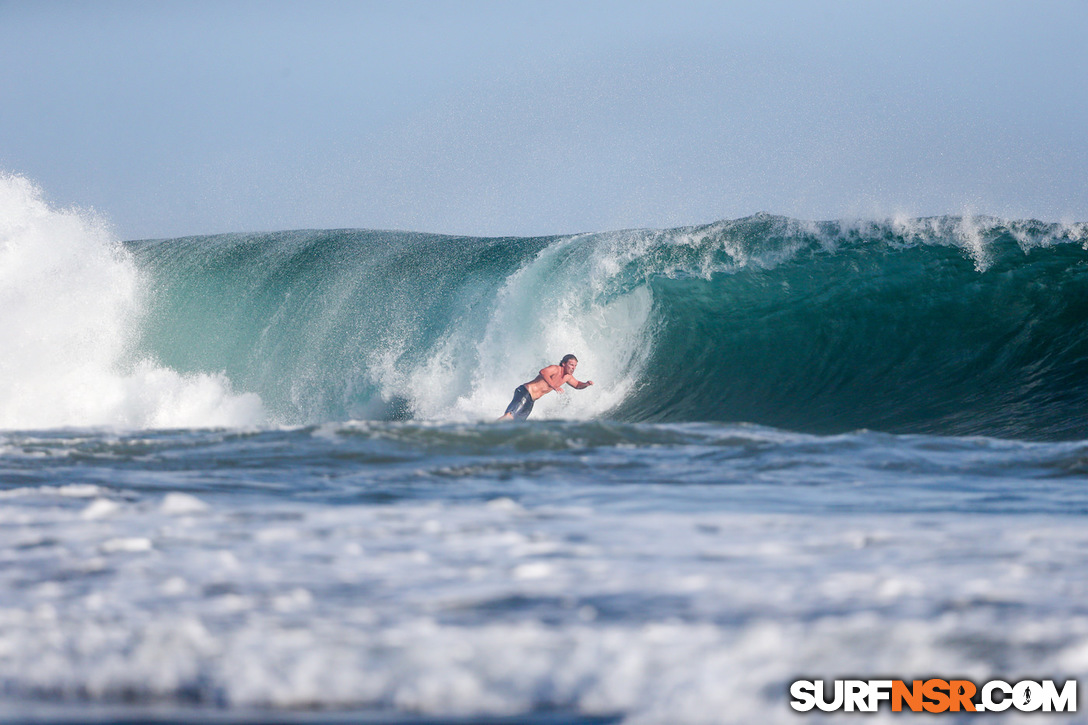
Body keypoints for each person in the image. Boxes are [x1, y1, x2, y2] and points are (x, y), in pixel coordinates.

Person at [498, 354, 594, 421]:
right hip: (524, 393)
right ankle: (487, 430)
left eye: (575, 366)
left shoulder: (567, 377)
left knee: (516, 424)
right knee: (509, 417)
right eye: (571, 365)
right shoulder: (556, 369)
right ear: (564, 364)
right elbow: (543, 372)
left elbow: (577, 385)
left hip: (531, 400)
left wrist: (586, 384)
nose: (573, 368)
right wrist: (554, 386)